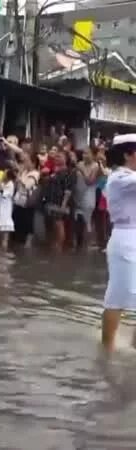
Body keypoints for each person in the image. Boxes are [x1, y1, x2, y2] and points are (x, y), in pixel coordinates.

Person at [100, 134, 136, 352]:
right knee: (117, 296)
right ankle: (107, 349)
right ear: (127, 154)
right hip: (125, 240)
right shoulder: (120, 178)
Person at [12, 151, 41, 247]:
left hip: (27, 202)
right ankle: (16, 244)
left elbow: (27, 185)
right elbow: (17, 184)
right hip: (18, 201)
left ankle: (28, 244)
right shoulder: (24, 171)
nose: (25, 162)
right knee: (16, 222)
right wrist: (19, 174)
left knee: (28, 223)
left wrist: (19, 176)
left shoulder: (35, 173)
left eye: (27, 161)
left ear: (33, 163)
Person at [0, 169, 16, 250]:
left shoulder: (11, 184)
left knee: (6, 222)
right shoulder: (3, 183)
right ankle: (0, 242)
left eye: (5, 174)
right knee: (0, 221)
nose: (3, 175)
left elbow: (6, 194)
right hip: (1, 205)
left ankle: (5, 241)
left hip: (7, 206)